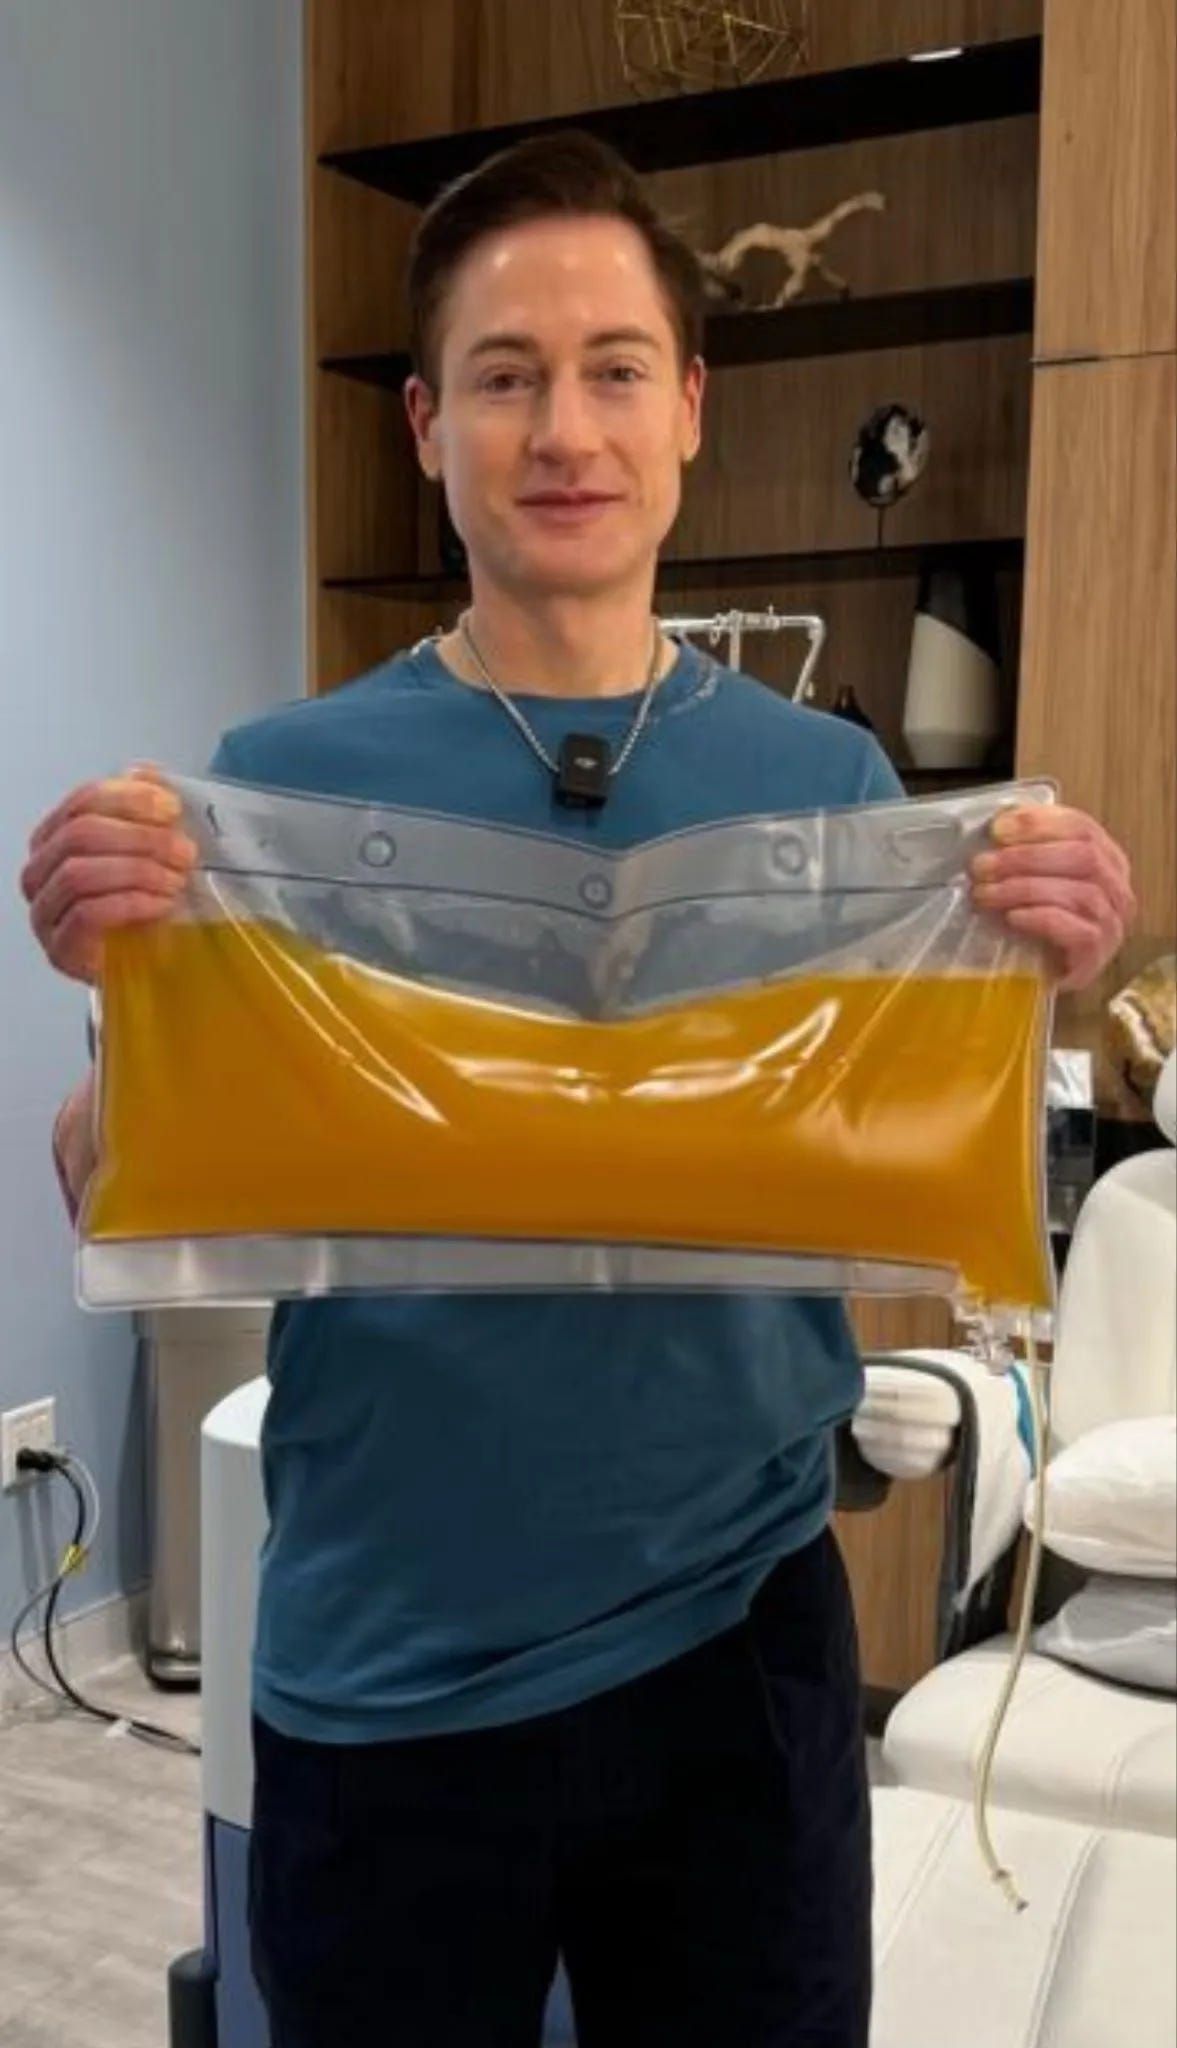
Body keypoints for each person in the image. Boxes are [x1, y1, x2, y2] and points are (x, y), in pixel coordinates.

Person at [21, 134, 1135, 2048]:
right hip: (390, 1660)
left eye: (614, 368)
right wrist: (113, 978)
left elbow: (900, 1166)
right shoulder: (275, 791)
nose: (563, 429)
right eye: (504, 375)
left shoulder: (837, 801)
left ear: (688, 408)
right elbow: (119, 1182)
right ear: (425, 426)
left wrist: (1045, 950)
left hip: (737, 1648)